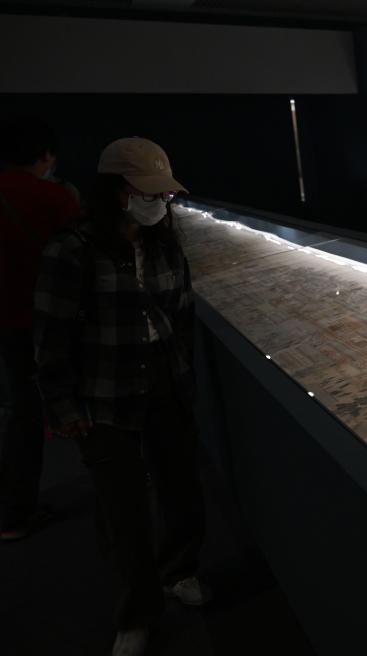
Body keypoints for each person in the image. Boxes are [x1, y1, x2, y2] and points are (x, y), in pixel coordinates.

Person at [34, 137, 208, 656]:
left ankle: (180, 570)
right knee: (123, 510)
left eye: (164, 195)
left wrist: (183, 376)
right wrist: (63, 406)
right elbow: (51, 337)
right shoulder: (71, 249)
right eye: (148, 193)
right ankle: (137, 613)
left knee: (181, 489)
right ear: (116, 191)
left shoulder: (164, 242)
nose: (159, 203)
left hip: (165, 385)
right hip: (106, 395)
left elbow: (180, 314)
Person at [0, 116, 80, 542]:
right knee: (63, 402)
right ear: (46, 155)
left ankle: (15, 511)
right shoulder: (56, 198)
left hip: (5, 323)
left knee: (17, 411)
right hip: (47, 319)